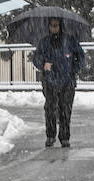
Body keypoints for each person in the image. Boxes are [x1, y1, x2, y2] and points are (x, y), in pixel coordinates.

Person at [31, 16, 85, 148]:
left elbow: (80, 56)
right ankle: (50, 136)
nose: (54, 28)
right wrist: (43, 64)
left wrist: (73, 68)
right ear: (48, 26)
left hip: (67, 81)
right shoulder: (44, 42)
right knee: (50, 110)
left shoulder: (70, 40)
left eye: (56, 25)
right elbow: (36, 57)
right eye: (52, 25)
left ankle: (64, 137)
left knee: (65, 109)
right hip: (49, 81)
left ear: (60, 26)